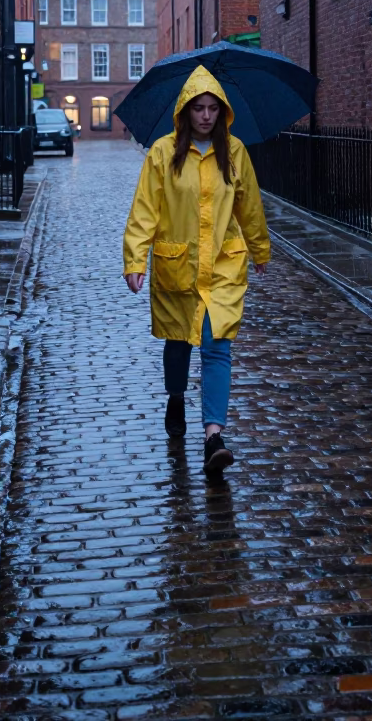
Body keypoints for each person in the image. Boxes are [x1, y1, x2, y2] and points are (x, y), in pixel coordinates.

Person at [123, 65, 271, 473]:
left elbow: (250, 206)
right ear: (185, 112)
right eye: (198, 108)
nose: (205, 116)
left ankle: (213, 437)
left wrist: (259, 249)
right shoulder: (162, 153)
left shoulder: (235, 151)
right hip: (178, 264)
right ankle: (175, 397)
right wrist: (135, 258)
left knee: (217, 346)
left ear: (223, 111)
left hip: (223, 266)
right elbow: (144, 211)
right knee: (178, 343)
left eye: (212, 108)